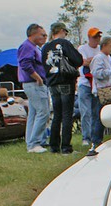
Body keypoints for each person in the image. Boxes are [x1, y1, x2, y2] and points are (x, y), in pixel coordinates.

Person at [42, 22, 83, 154]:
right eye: (65, 31)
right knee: (67, 115)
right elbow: (78, 60)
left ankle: (54, 146)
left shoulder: (45, 47)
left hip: (52, 82)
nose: (66, 34)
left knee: (57, 115)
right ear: (61, 30)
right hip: (65, 80)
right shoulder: (64, 44)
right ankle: (66, 147)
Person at [18, 23, 50, 154]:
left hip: (32, 84)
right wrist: (38, 77)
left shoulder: (33, 47)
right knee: (43, 112)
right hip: (34, 83)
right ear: (33, 34)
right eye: (42, 35)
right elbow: (25, 63)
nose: (44, 37)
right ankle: (35, 143)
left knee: (33, 113)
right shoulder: (27, 46)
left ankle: (30, 142)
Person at [77, 27, 102, 147]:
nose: (97, 39)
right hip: (85, 83)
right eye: (95, 37)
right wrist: (95, 60)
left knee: (96, 112)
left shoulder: (100, 49)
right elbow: (83, 62)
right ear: (89, 38)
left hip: (97, 84)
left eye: (98, 37)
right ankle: (85, 137)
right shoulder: (82, 48)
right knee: (85, 111)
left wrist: (91, 60)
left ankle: (95, 137)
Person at [91, 37, 111, 146]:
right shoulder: (99, 58)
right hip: (100, 91)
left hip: (109, 89)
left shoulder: (109, 57)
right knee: (99, 116)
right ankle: (96, 139)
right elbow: (96, 73)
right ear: (104, 45)